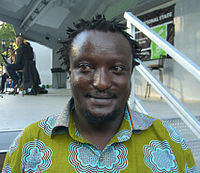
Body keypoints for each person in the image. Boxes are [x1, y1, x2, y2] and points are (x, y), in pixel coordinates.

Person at [2, 15, 197, 172]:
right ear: (69, 72)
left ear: (130, 73)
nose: (101, 83)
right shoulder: (30, 144)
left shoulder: (170, 142)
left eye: (117, 68)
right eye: (85, 67)